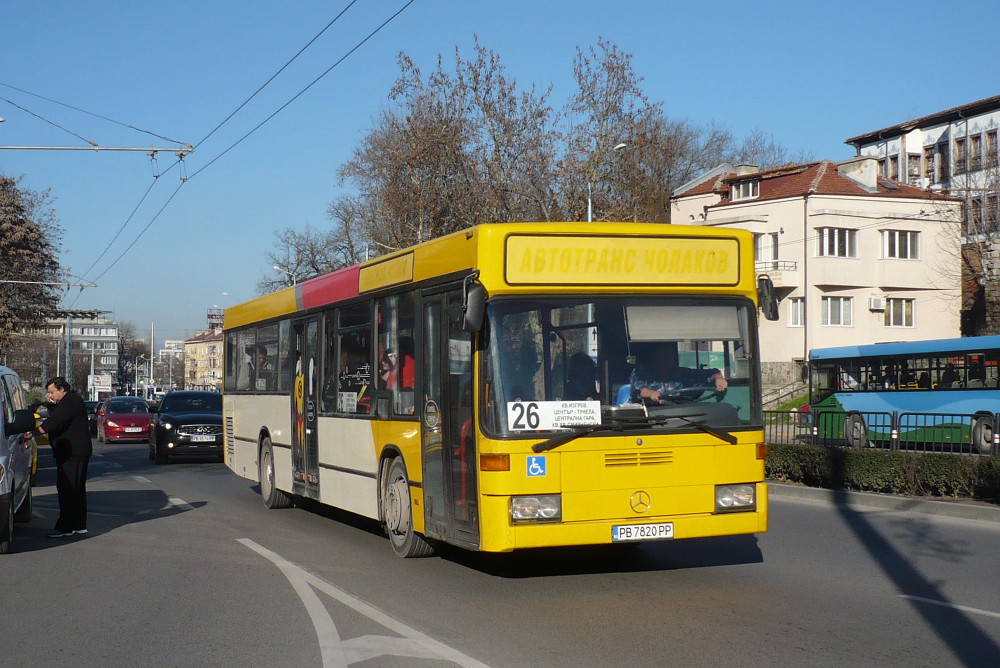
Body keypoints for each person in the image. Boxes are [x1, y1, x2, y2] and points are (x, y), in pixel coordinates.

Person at [33, 377, 92, 538]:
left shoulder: (69, 401)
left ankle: (64, 527)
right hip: (76, 451)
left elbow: (55, 422)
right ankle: (78, 525)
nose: (49, 395)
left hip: (72, 453)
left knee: (67, 489)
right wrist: (51, 405)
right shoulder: (70, 400)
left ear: (62, 390)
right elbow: (58, 417)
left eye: (52, 392)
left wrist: (32, 434)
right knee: (76, 489)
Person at [629, 345, 727, 404]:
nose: (666, 359)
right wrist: (652, 394)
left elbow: (709, 373)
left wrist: (718, 378)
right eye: (663, 355)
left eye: (669, 355)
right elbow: (641, 390)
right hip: (647, 419)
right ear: (655, 357)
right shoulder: (641, 372)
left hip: (679, 417)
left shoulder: (681, 373)